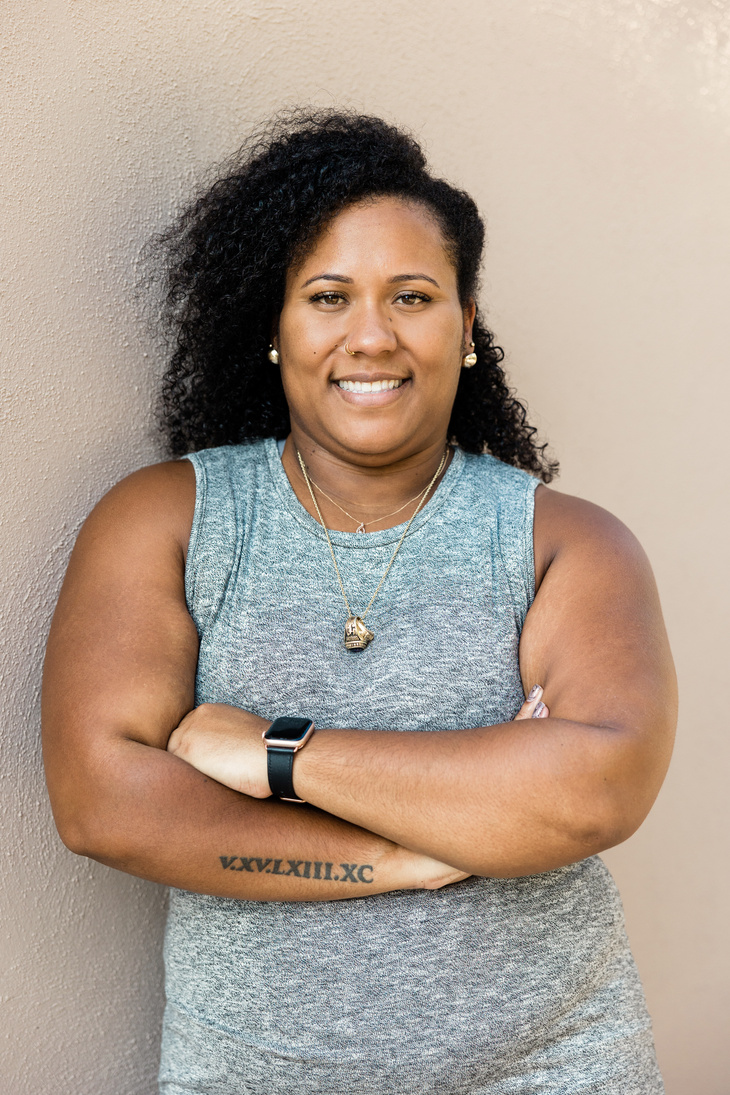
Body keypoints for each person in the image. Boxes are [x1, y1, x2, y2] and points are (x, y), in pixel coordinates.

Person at [42, 110, 677, 1094]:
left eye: (412, 297)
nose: (371, 336)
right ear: (273, 328)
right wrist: (412, 852)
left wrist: (272, 753)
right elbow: (104, 804)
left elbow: (590, 791)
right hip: (252, 1074)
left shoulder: (565, 542)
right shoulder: (166, 520)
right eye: (328, 296)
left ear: (466, 330)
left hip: (552, 1063)